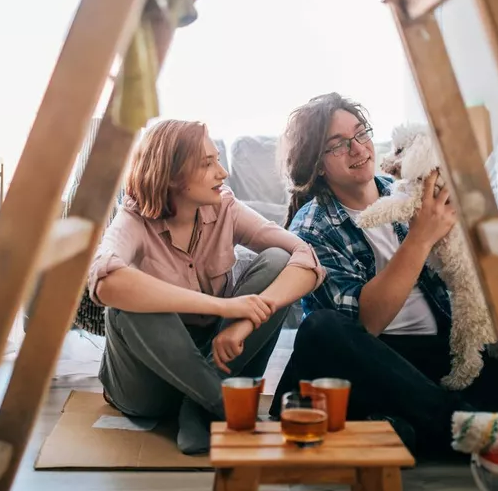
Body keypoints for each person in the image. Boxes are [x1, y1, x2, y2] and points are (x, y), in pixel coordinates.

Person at [271, 92, 498, 459]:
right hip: (372, 361)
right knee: (322, 329)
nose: (358, 149)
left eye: (360, 133)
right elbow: (366, 323)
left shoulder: (408, 189)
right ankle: (461, 427)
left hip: (434, 356)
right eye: (338, 145)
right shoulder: (313, 225)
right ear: (318, 165)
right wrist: (420, 236)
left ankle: (410, 427)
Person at [87, 119, 324, 455]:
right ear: (170, 174)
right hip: (149, 385)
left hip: (220, 357)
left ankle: (199, 404)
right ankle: (219, 402)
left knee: (275, 259)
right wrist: (225, 307)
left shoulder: (224, 206)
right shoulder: (134, 218)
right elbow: (104, 282)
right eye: (207, 163)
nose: (222, 172)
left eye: (217, 159)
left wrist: (240, 326)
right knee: (131, 302)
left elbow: (305, 257)